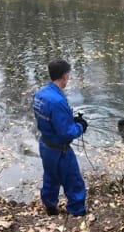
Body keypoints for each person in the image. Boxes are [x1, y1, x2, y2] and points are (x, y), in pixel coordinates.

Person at [32, 59, 88, 217]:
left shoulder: (40, 94)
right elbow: (67, 133)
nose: (68, 79)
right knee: (74, 181)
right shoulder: (58, 101)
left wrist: (70, 120)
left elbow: (49, 120)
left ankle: (50, 208)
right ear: (64, 76)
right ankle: (77, 213)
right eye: (68, 75)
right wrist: (81, 126)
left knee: (50, 178)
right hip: (60, 151)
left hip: (45, 145)